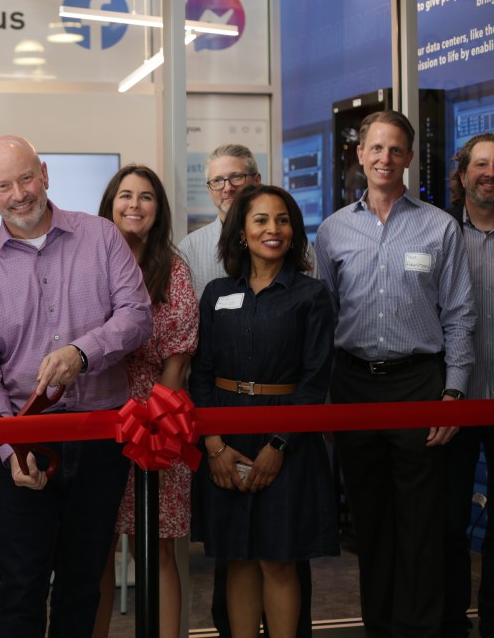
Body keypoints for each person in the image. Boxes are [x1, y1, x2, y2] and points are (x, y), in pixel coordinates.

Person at [0, 135, 153, 637]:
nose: (18, 194)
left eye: (25, 178)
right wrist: (10, 448)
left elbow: (137, 315)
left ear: (44, 173)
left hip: (100, 435)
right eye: (4, 186)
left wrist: (83, 352)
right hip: (25, 439)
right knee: (19, 587)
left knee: (83, 583)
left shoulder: (102, 237)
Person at [315, 109, 476, 637]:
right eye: (376, 149)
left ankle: (421, 629)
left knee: (420, 523)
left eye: (396, 150)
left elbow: (459, 315)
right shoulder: (334, 231)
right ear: (360, 155)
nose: (385, 159)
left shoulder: (439, 226)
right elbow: (328, 316)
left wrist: (453, 392)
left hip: (419, 383)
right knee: (371, 522)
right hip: (355, 384)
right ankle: (380, 627)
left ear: (409, 158)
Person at [177, 144, 314, 638]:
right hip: (226, 431)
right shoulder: (217, 292)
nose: (271, 230)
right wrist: (212, 445)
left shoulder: (310, 294)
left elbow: (315, 377)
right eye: (260, 221)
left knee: (279, 559)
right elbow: (202, 371)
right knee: (237, 557)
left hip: (286, 435)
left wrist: (281, 445)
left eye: (281, 221)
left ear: (293, 230)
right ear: (242, 231)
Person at [91, 165, 198, 638]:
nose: (135, 205)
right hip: (96, 414)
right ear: (109, 204)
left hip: (157, 417)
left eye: (146, 197)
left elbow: (178, 357)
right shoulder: (87, 262)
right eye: (125, 195)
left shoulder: (173, 269)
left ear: (159, 209)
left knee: (157, 550)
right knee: (94, 548)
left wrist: (155, 418)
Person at [442, 132, 494, 638]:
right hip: (454, 402)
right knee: (449, 523)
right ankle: (452, 623)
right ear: (462, 175)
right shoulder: (441, 234)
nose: (488, 174)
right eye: (480, 164)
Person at [177, 144, 262, 298]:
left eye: (236, 177)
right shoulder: (189, 249)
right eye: (217, 180)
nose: (228, 188)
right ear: (209, 189)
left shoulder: (289, 240)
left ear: (257, 180)